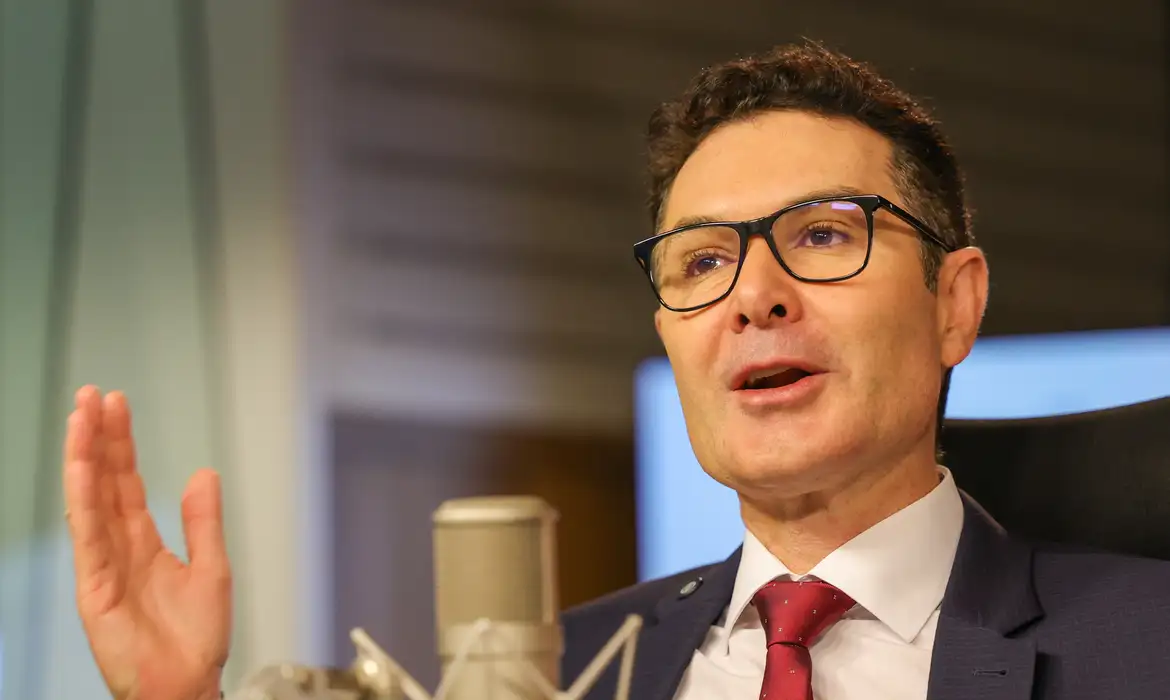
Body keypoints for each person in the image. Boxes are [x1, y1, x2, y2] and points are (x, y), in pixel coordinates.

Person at [62, 42, 1170, 700]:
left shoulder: (1146, 645)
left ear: (955, 303)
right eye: (703, 261)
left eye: (825, 235)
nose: (754, 296)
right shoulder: (556, 673)